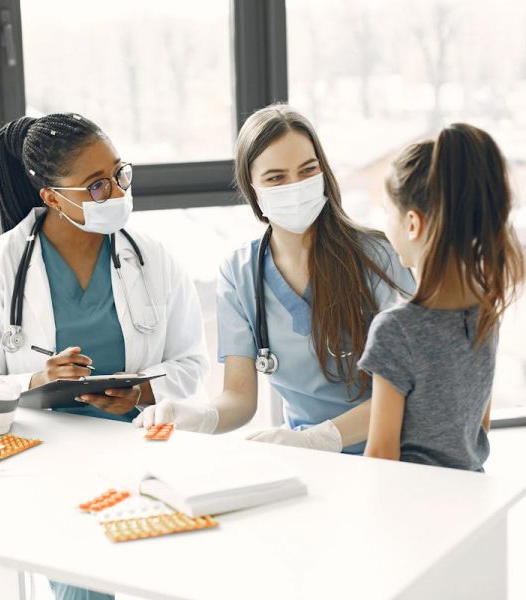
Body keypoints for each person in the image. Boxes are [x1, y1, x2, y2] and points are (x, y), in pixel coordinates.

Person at [0, 113, 209, 599]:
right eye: (95, 187)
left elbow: (193, 363)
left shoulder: (154, 258)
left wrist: (142, 389)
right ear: (51, 197)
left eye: (118, 175)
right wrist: (32, 380)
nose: (115, 193)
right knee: (84, 590)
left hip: (143, 454)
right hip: (49, 470)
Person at [136, 104, 414, 454]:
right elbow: (239, 399)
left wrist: (320, 438)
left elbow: (410, 387)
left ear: (324, 173)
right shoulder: (240, 274)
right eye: (276, 178)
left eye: (307, 171)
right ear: (253, 190)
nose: (295, 186)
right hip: (306, 458)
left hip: (391, 455)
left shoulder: (380, 259)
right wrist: (194, 417)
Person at [360, 124, 524, 470]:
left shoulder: (396, 329)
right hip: (474, 499)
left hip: (415, 512)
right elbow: (480, 428)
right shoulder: (486, 311)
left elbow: (381, 457)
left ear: (412, 223)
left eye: (387, 212)